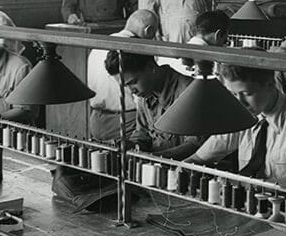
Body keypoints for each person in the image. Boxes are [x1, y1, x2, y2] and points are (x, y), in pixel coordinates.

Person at [188, 65, 286, 192]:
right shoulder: (239, 112)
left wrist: (253, 185)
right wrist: (178, 170)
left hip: (284, 208)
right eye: (234, 94)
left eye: (247, 94)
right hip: (244, 204)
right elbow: (198, 159)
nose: (240, 102)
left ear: (270, 85)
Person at [106, 51, 198, 158]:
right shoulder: (145, 95)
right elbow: (143, 133)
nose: (132, 91)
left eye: (133, 82)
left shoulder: (189, 92)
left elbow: (194, 145)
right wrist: (131, 144)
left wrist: (153, 158)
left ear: (150, 67)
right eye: (126, 86)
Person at [86, 9, 158, 142]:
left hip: (95, 120)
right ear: (149, 31)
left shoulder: (97, 47)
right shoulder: (134, 50)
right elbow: (142, 97)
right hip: (126, 121)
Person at [158, 9, 230, 77]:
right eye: (225, 40)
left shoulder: (165, 58)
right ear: (218, 35)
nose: (224, 45)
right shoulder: (215, 68)